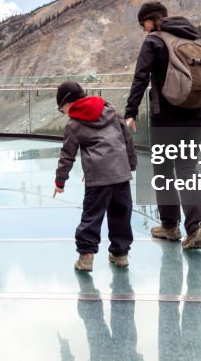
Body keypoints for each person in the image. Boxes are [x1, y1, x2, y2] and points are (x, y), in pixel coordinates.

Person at [124, 1, 201, 250]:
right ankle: (196, 229)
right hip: (196, 115)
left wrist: (130, 112)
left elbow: (140, 78)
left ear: (152, 20)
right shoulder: (191, 39)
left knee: (163, 172)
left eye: (144, 24)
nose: (144, 29)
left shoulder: (154, 41)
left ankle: (170, 226)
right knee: (187, 170)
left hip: (166, 118)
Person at [54, 80, 138, 271]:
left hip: (98, 178)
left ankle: (86, 258)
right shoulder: (111, 111)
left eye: (62, 109)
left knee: (92, 216)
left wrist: (60, 181)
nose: (64, 113)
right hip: (120, 173)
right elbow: (127, 139)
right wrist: (130, 165)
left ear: (68, 104)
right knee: (121, 214)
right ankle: (121, 254)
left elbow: (67, 156)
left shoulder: (74, 123)